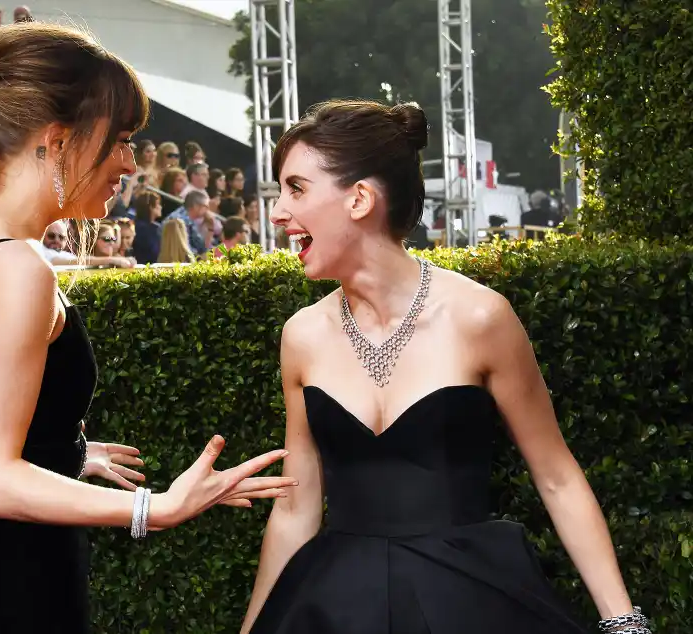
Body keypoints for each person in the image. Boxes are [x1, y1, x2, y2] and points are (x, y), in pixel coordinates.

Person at [0, 23, 296, 634]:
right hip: (10, 581)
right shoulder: (17, 269)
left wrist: (61, 451)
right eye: (121, 139)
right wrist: (156, 507)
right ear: (58, 140)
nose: (128, 163)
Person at [241, 100, 648, 634]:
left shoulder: (480, 317)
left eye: (295, 188)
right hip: (337, 605)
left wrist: (623, 623)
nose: (277, 212)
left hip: (469, 601)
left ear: (360, 198)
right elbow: (296, 510)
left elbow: (556, 477)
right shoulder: (302, 336)